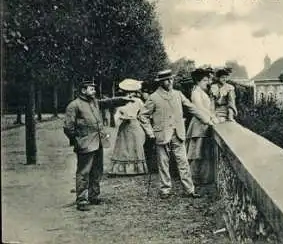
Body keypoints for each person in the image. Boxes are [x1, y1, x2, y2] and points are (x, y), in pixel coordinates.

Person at [138, 69, 215, 199]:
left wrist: (208, 120)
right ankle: (165, 190)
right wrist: (150, 132)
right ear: (161, 82)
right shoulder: (154, 97)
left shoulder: (178, 94)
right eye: (167, 80)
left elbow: (192, 108)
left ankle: (189, 189)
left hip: (178, 134)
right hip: (161, 135)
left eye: (171, 79)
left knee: (183, 162)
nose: (170, 82)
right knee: (163, 163)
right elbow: (142, 116)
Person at [63, 80, 133, 211]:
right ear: (83, 90)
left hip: (98, 142)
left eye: (94, 89)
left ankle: (94, 196)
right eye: (91, 89)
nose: (94, 91)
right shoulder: (74, 105)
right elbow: (68, 127)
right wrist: (78, 140)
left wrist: (123, 99)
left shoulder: (94, 102)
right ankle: (82, 200)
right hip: (85, 144)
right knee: (83, 172)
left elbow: (108, 102)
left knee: (97, 170)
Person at [186, 69, 219, 185]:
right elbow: (199, 108)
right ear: (198, 81)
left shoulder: (202, 91)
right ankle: (194, 179)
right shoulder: (196, 92)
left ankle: (203, 178)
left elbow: (209, 107)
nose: (207, 82)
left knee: (202, 151)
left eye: (208, 79)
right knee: (197, 152)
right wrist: (212, 118)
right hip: (199, 124)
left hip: (204, 123)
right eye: (205, 80)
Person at [109, 79, 148, 176]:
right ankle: (125, 169)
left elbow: (144, 112)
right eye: (128, 91)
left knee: (135, 145)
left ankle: (136, 169)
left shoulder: (138, 101)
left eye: (131, 91)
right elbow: (117, 115)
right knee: (124, 146)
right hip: (125, 125)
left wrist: (138, 117)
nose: (130, 94)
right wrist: (120, 118)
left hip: (134, 123)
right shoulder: (122, 101)